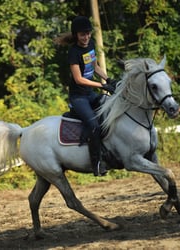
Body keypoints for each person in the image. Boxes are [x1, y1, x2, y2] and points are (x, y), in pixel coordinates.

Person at [56, 16, 117, 176]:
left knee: (109, 108)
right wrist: (102, 86)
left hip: (89, 93)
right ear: (76, 35)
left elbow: (95, 66)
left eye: (88, 34)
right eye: (83, 34)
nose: (86, 37)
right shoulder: (73, 53)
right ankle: (96, 164)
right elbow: (79, 79)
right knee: (95, 126)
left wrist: (108, 79)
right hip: (78, 98)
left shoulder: (90, 45)